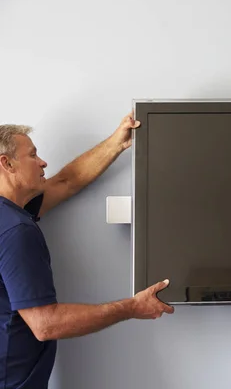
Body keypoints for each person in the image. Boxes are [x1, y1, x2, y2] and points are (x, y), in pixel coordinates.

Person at [0, 112, 174, 389]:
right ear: (7, 163)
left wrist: (117, 142)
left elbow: (66, 182)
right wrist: (132, 307)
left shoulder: (9, 216)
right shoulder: (15, 230)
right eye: (33, 155)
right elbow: (46, 324)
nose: (43, 162)